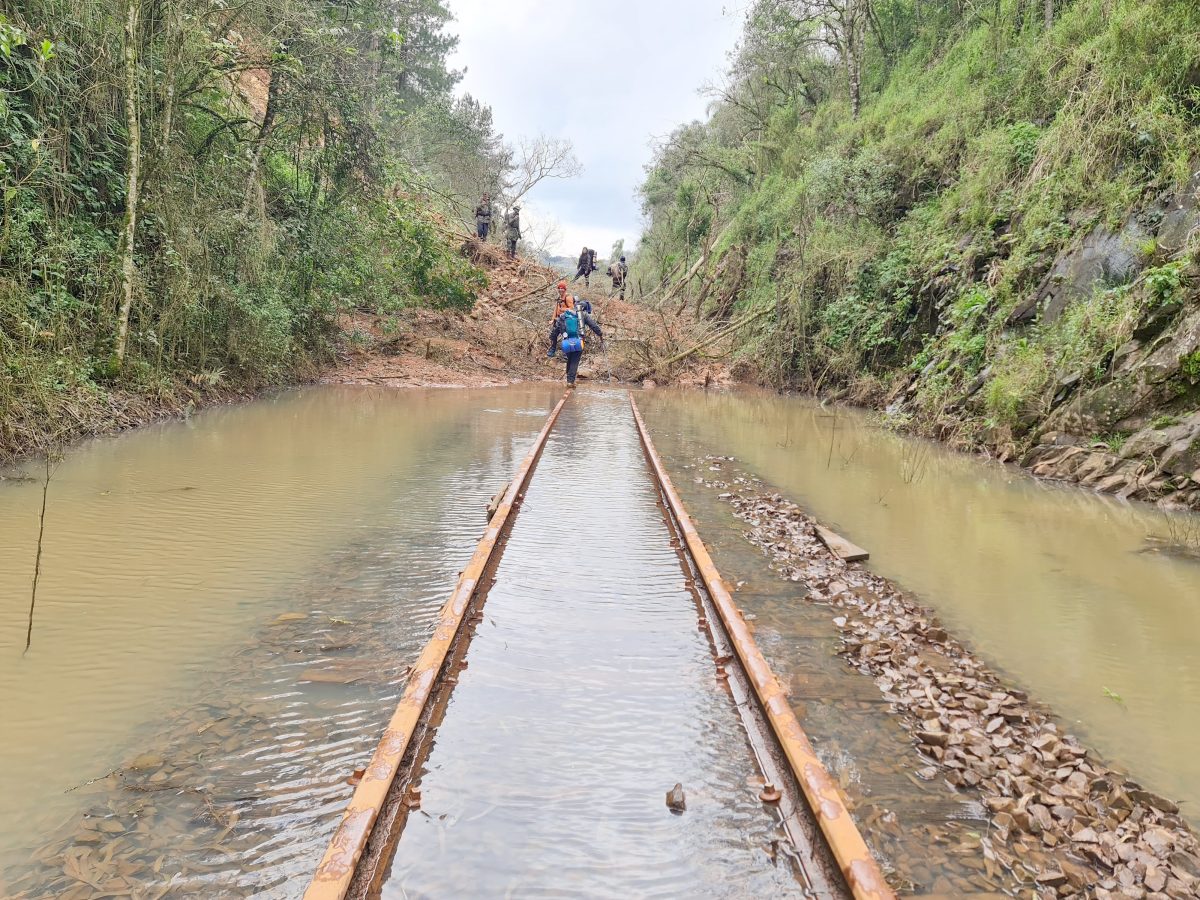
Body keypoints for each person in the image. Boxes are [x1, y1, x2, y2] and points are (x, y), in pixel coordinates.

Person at [547, 293, 602, 387]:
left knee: (570, 359)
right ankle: (570, 381)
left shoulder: (564, 315)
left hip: (566, 343)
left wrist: (553, 342)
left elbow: (555, 331)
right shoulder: (583, 315)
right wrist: (600, 334)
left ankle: (569, 378)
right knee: (574, 361)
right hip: (578, 341)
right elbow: (594, 326)